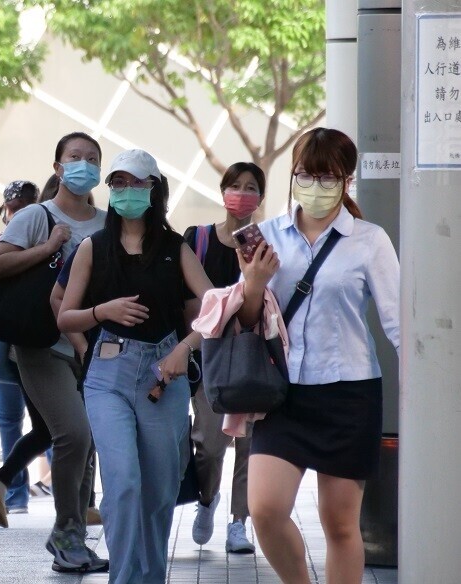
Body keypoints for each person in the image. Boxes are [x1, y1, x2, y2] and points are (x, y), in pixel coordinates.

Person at [233, 128, 399, 584]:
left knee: (341, 525)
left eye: (328, 178)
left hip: (350, 393)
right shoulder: (265, 236)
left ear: (347, 182)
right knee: (264, 509)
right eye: (306, 175)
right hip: (282, 393)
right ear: (293, 176)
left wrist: (425, 389)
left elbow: (397, 321)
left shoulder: (369, 240)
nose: (316, 186)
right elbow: (248, 318)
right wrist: (253, 283)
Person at [57, 148, 213, 584]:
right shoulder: (93, 246)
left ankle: (150, 578)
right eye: (118, 183)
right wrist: (101, 312)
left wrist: (185, 348)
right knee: (123, 484)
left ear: (153, 189)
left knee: (159, 493)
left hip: (164, 374)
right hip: (107, 374)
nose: (126, 192)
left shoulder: (173, 247)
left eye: (136, 183)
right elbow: (64, 316)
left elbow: (214, 307)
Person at [0, 132, 108, 573]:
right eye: (75, 157)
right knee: (73, 433)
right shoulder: (38, 215)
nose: (83, 165)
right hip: (41, 345)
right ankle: (66, 533)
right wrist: (49, 248)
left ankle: (76, 538)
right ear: (58, 167)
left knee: (87, 440)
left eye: (92, 159)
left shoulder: (108, 223)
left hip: (92, 349)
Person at [183, 162, 266, 553]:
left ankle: (239, 523)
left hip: (251, 356)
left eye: (251, 187)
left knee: (249, 445)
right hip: (208, 356)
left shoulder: (265, 243)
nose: (242, 193)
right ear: (222, 192)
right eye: (235, 185)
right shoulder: (197, 239)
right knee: (211, 444)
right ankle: (206, 499)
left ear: (260, 198)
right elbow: (186, 301)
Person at [0, 180, 39, 513]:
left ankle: (72, 496)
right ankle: (15, 494)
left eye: (19, 209)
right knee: (9, 420)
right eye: (11, 210)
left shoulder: (44, 239)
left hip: (38, 344)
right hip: (6, 345)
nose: (13, 216)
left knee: (52, 424)